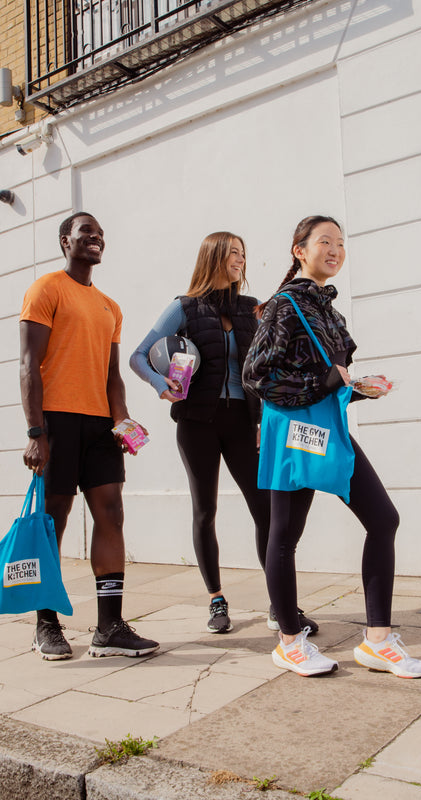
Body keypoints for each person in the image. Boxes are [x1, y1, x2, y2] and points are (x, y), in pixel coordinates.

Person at [243, 215, 421, 678]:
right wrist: (322, 381)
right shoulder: (284, 307)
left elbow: (335, 375)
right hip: (294, 433)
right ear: (299, 250)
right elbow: (256, 375)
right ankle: (289, 642)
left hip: (327, 429)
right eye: (324, 241)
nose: (335, 250)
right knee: (284, 534)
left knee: (383, 519)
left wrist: (357, 386)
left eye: (341, 244)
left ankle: (377, 641)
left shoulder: (329, 309)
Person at [130, 231, 317, 635]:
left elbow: (268, 366)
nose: (241, 260)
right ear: (214, 257)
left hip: (243, 423)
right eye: (233, 253)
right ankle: (216, 599)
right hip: (197, 422)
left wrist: (265, 418)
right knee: (205, 511)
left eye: (243, 254)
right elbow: (138, 355)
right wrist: (161, 386)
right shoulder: (183, 307)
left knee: (265, 510)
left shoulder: (252, 309)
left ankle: (279, 603)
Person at [19, 212, 159, 661]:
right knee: (53, 520)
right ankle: (46, 624)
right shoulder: (46, 290)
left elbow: (112, 375)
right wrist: (36, 432)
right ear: (66, 241)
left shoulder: (110, 306)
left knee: (111, 513)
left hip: (99, 425)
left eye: (100, 233)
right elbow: (27, 365)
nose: (96, 237)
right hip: (57, 422)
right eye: (86, 232)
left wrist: (122, 422)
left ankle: (110, 626)